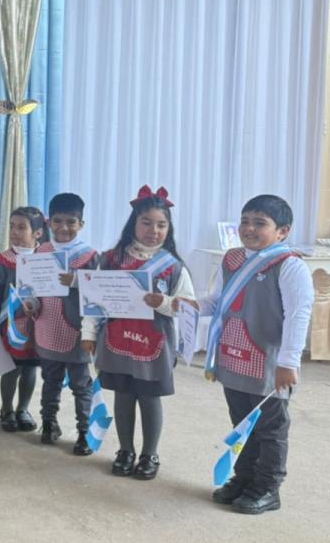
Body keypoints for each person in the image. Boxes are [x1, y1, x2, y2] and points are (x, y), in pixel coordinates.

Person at [197, 195, 312, 514]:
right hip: (234, 357)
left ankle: (267, 487)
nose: (249, 228)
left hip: (270, 364)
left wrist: (289, 362)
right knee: (241, 424)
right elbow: (220, 301)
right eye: (245, 221)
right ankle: (244, 476)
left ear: (283, 231)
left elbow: (298, 315)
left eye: (259, 223)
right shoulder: (232, 259)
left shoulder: (289, 265)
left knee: (270, 429)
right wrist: (190, 305)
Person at [82, 186, 194, 481]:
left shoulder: (173, 267)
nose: (153, 230)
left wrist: (165, 303)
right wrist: (89, 334)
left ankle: (149, 453)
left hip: (153, 342)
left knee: (148, 397)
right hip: (117, 338)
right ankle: (125, 450)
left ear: (169, 228)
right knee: (123, 394)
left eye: (161, 224)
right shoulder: (110, 259)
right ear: (133, 223)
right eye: (146, 222)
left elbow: (188, 308)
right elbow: (93, 301)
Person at [30, 193, 100, 455]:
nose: (64, 228)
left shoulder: (89, 256)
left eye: (71, 222)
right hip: (47, 326)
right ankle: (48, 424)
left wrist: (75, 281)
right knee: (50, 379)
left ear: (81, 224)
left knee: (81, 385)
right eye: (57, 221)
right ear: (49, 222)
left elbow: (98, 293)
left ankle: (84, 432)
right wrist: (31, 305)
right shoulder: (41, 251)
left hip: (78, 330)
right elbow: (33, 288)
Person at [0, 207, 45, 434]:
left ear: (37, 233)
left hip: (36, 324)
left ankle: (23, 409)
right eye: (12, 226)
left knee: (30, 369)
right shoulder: (2, 260)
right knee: (11, 368)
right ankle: (6, 409)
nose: (15, 232)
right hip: (9, 324)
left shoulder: (46, 259)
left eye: (21, 227)